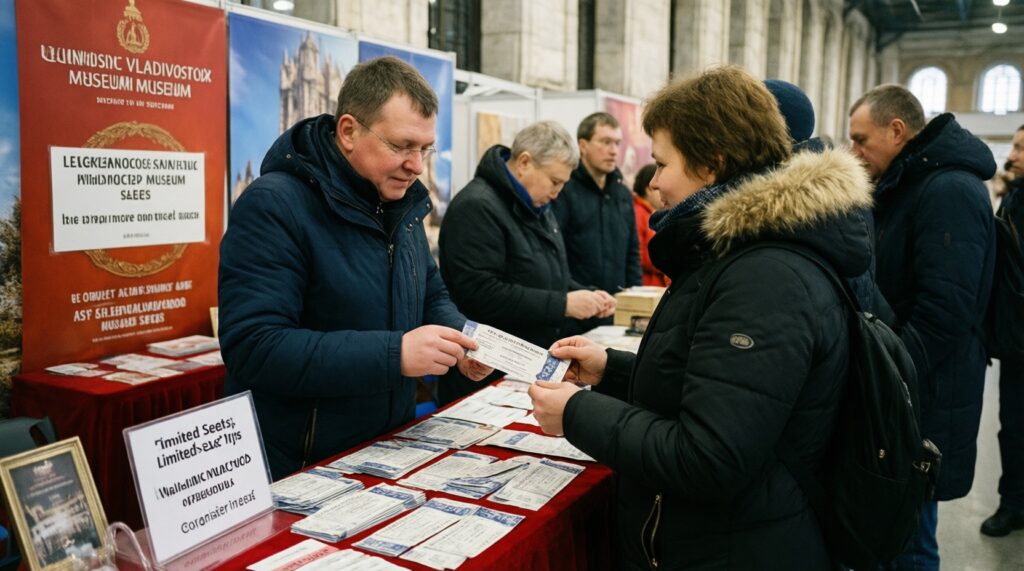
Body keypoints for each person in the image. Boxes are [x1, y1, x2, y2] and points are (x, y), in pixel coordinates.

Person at [529, 66, 874, 570]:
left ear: (712, 165)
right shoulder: (738, 254)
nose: (655, 183)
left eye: (662, 162)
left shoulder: (765, 276)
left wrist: (577, 413)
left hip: (737, 548)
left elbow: (709, 455)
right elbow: (709, 384)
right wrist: (611, 370)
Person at [218, 56, 492, 480]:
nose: (417, 165)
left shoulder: (401, 202)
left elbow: (429, 290)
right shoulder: (273, 205)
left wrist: (461, 341)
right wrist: (395, 354)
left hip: (388, 450)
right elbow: (255, 346)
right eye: (401, 146)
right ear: (348, 131)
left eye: (424, 148)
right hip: (303, 465)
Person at [848, 85, 996, 569]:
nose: (854, 152)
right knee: (893, 531)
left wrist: (890, 373)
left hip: (926, 393)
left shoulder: (948, 189)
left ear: (897, 131)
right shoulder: (908, 184)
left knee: (910, 540)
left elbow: (946, 309)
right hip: (910, 390)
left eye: (860, 139)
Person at [436, 121, 615, 404]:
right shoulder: (477, 206)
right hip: (485, 371)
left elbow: (543, 273)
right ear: (524, 162)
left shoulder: (538, 204)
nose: (558, 192)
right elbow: (480, 293)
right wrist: (564, 304)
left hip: (525, 367)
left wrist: (585, 294)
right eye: (555, 182)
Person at [553, 112, 642, 319]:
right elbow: (556, 253)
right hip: (576, 308)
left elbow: (632, 252)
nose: (613, 151)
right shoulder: (564, 189)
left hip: (615, 308)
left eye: (618, 143)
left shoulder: (622, 193)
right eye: (606, 142)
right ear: (583, 145)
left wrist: (635, 299)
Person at [981, 124, 1024, 538]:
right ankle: (1013, 503)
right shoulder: (1013, 201)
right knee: (1013, 428)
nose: (1012, 155)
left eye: (1019, 148)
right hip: (1017, 341)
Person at [630, 163, 668, 286]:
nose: (663, 192)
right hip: (645, 287)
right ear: (648, 190)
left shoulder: (651, 214)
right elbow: (640, 255)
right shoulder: (638, 214)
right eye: (658, 189)